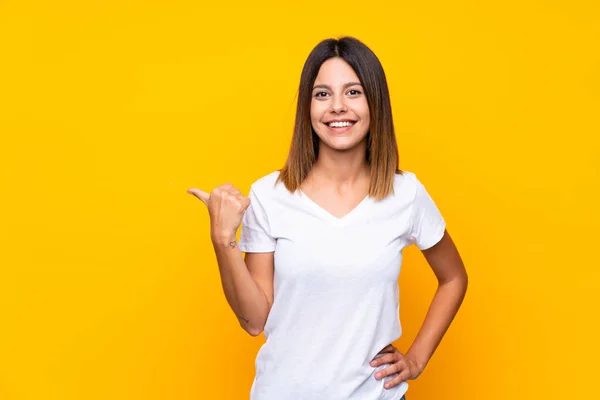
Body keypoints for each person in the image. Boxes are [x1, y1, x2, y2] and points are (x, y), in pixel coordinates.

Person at [188, 36, 468, 400]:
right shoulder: (269, 195)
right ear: (307, 106)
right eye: (322, 94)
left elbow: (454, 278)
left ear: (375, 103)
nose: (337, 106)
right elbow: (254, 321)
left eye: (353, 92)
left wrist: (416, 359)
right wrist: (222, 239)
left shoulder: (406, 194)